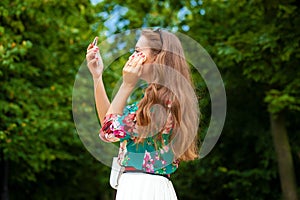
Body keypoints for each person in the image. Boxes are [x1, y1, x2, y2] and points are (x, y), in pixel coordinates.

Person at [86, 28, 199, 200]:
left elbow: (109, 131)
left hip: (142, 188)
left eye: (138, 51)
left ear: (157, 57)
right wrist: (97, 77)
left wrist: (127, 85)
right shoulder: (156, 102)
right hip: (145, 187)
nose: (132, 57)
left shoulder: (160, 106)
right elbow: (110, 122)